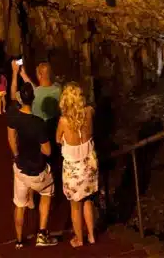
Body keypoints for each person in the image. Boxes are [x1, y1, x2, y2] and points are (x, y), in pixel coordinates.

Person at [7, 82, 58, 248]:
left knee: (19, 205)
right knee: (47, 193)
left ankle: (19, 240)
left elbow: (11, 138)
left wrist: (16, 155)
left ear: (20, 98)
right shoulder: (38, 123)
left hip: (20, 169)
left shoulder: (14, 116)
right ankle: (42, 233)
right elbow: (48, 151)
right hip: (38, 171)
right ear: (33, 99)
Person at [58, 82, 99, 247]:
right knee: (88, 200)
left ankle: (79, 239)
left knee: (75, 206)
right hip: (89, 164)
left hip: (73, 169)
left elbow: (57, 138)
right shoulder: (89, 112)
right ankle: (91, 235)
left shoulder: (64, 121)